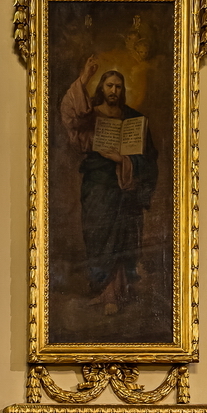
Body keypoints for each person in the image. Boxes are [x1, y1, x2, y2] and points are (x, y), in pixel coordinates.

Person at [59, 55, 158, 317]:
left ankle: (115, 292)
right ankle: (102, 290)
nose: (114, 91)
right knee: (97, 233)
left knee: (121, 235)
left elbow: (149, 157)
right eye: (109, 86)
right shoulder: (90, 116)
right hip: (97, 184)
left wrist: (123, 160)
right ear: (101, 88)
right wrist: (84, 76)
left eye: (118, 87)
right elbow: (70, 117)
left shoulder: (135, 119)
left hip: (124, 188)